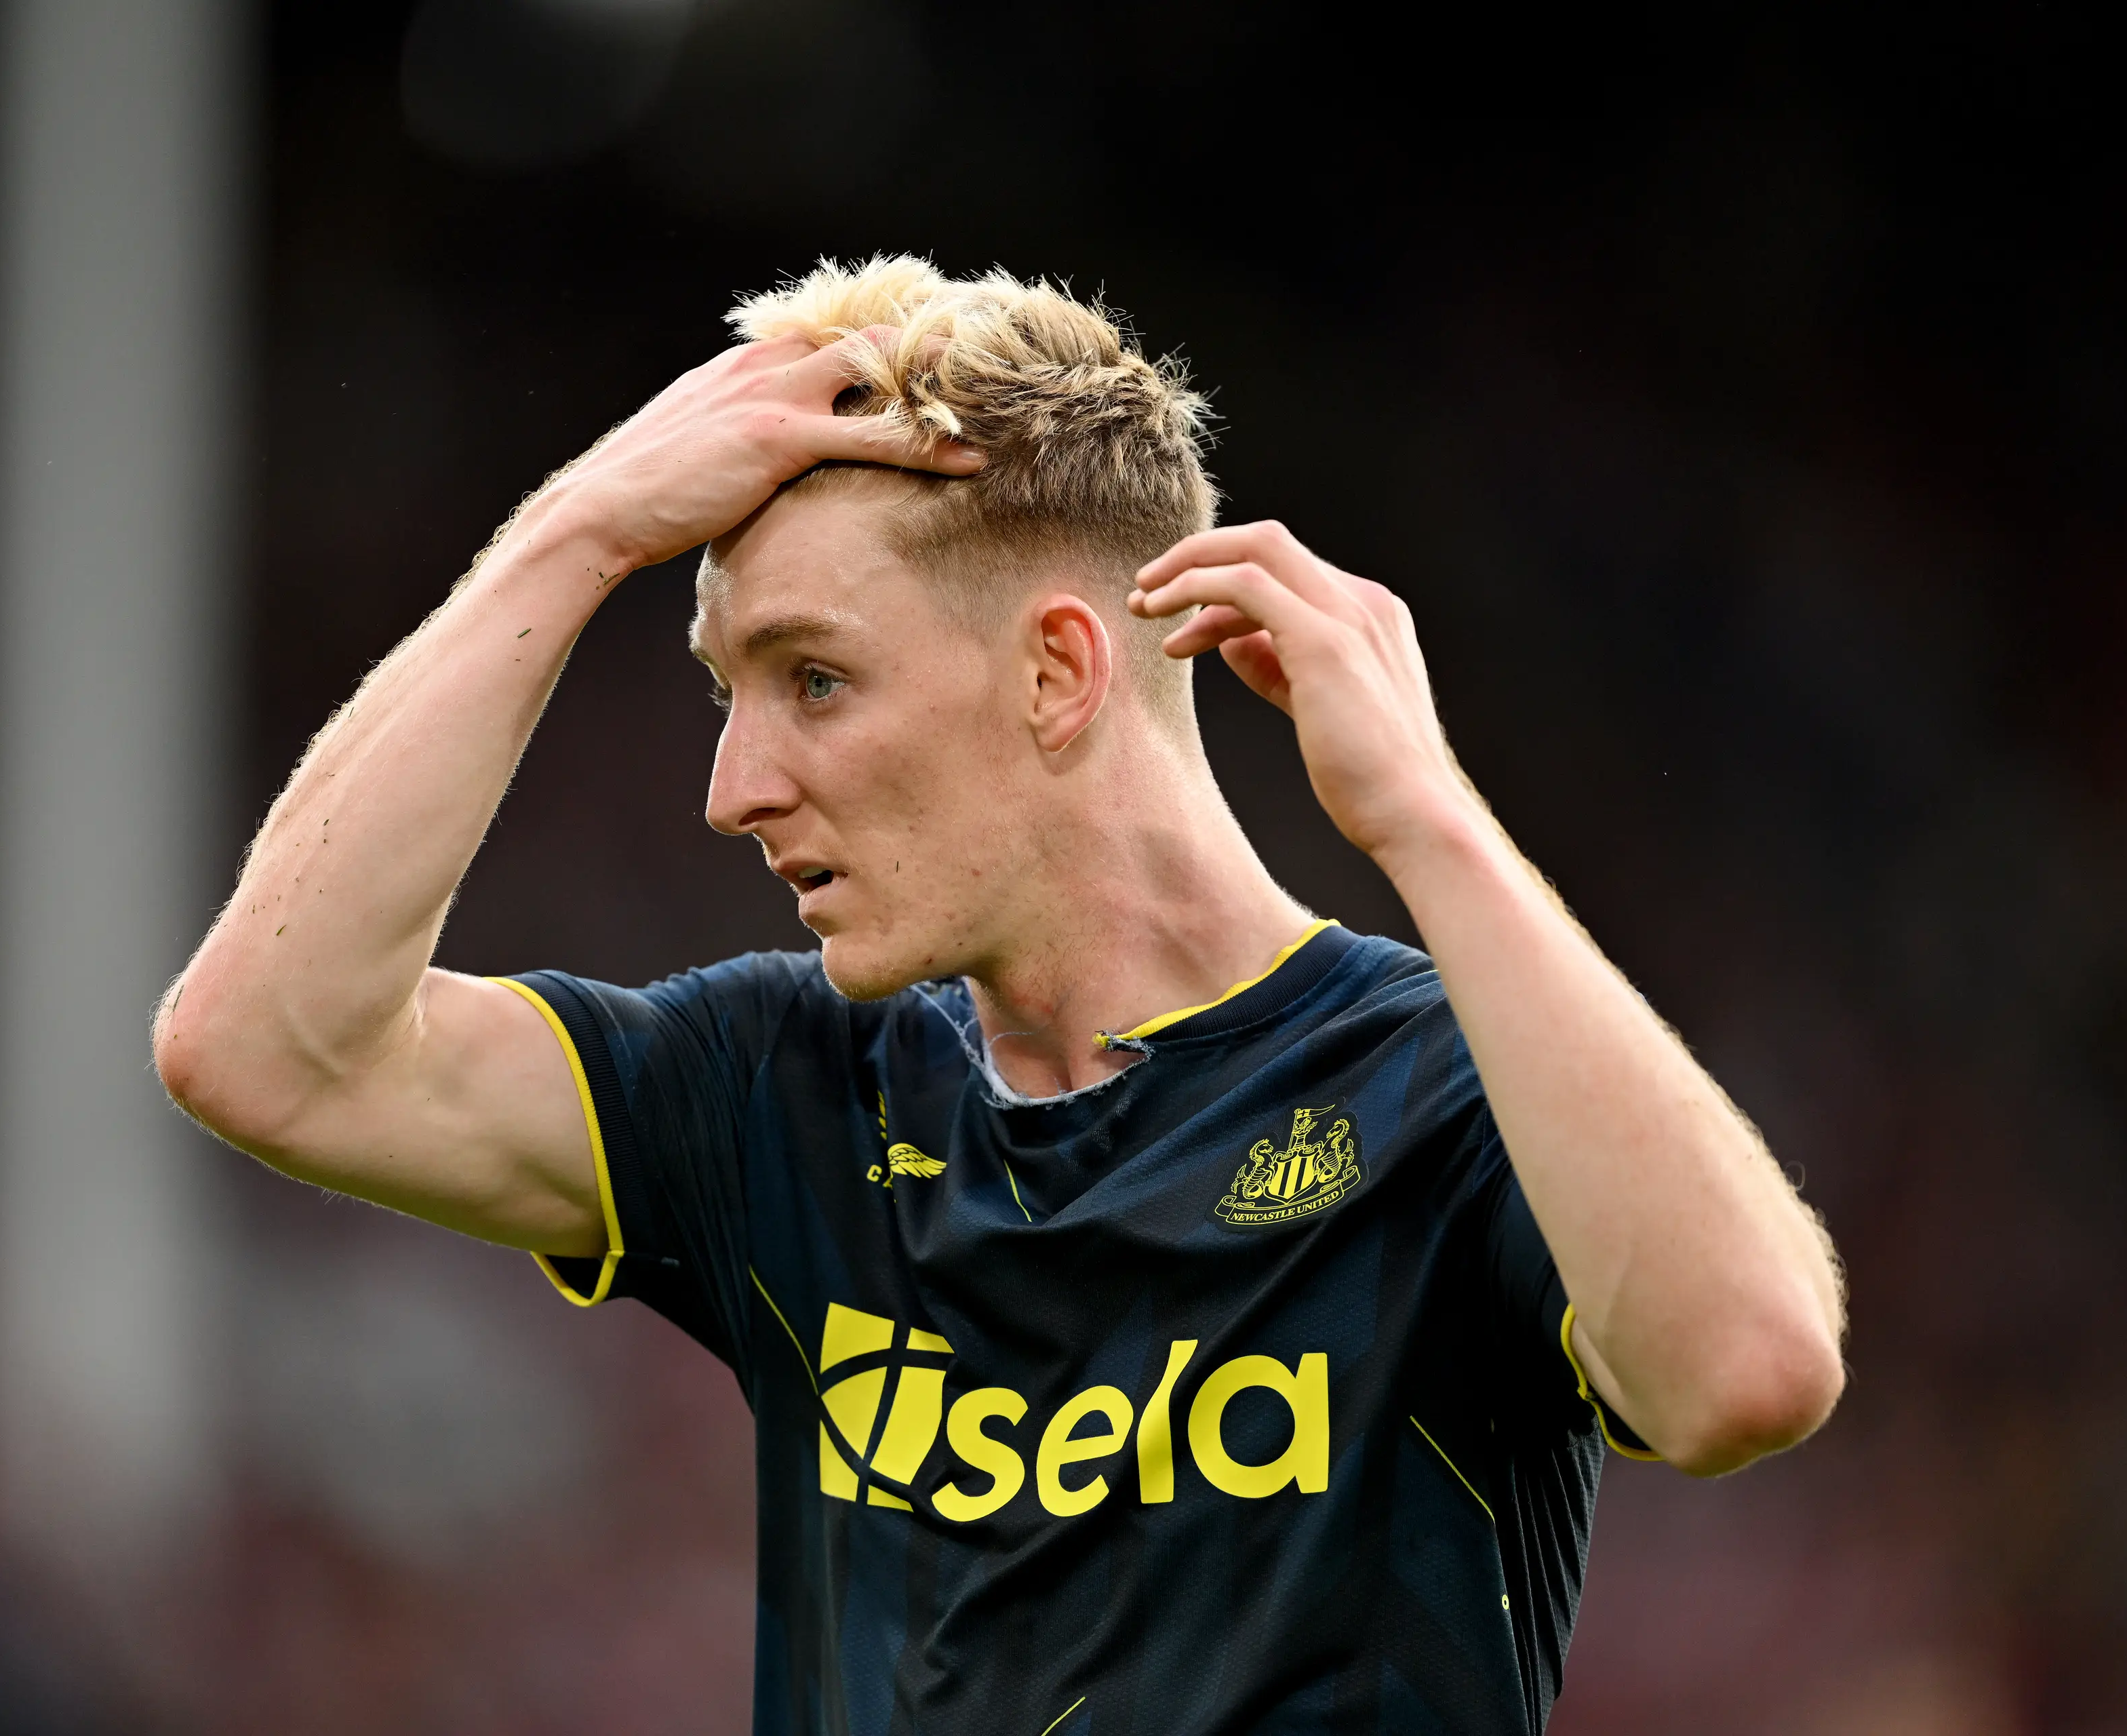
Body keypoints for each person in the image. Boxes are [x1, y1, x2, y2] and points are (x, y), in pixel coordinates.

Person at [155, 256, 1845, 1735]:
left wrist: (1426, 814)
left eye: (816, 678)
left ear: (1058, 671)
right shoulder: (782, 1086)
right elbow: (265, 1050)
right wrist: (575, 530)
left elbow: (1747, 1369)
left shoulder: (1441, 1093)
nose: (734, 787)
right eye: (730, 689)